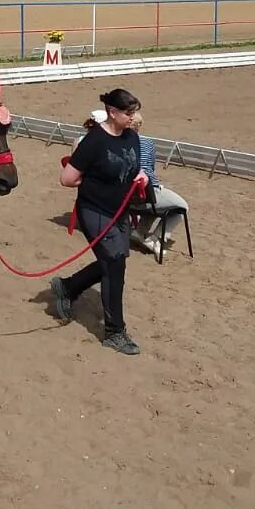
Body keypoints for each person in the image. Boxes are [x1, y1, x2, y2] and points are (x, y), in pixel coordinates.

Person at [50, 88, 148, 355]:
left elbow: (134, 166)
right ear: (112, 112)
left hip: (120, 210)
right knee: (114, 265)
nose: (133, 117)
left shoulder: (131, 137)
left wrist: (142, 177)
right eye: (128, 113)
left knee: (114, 260)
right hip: (95, 210)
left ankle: (67, 287)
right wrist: (95, 184)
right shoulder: (93, 141)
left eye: (134, 112)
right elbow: (67, 178)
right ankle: (114, 332)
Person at [130, 111, 189, 258]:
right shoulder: (147, 143)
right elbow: (150, 169)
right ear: (139, 126)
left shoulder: (116, 145)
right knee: (181, 208)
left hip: (125, 199)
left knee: (156, 201)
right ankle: (155, 238)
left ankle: (140, 232)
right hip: (144, 195)